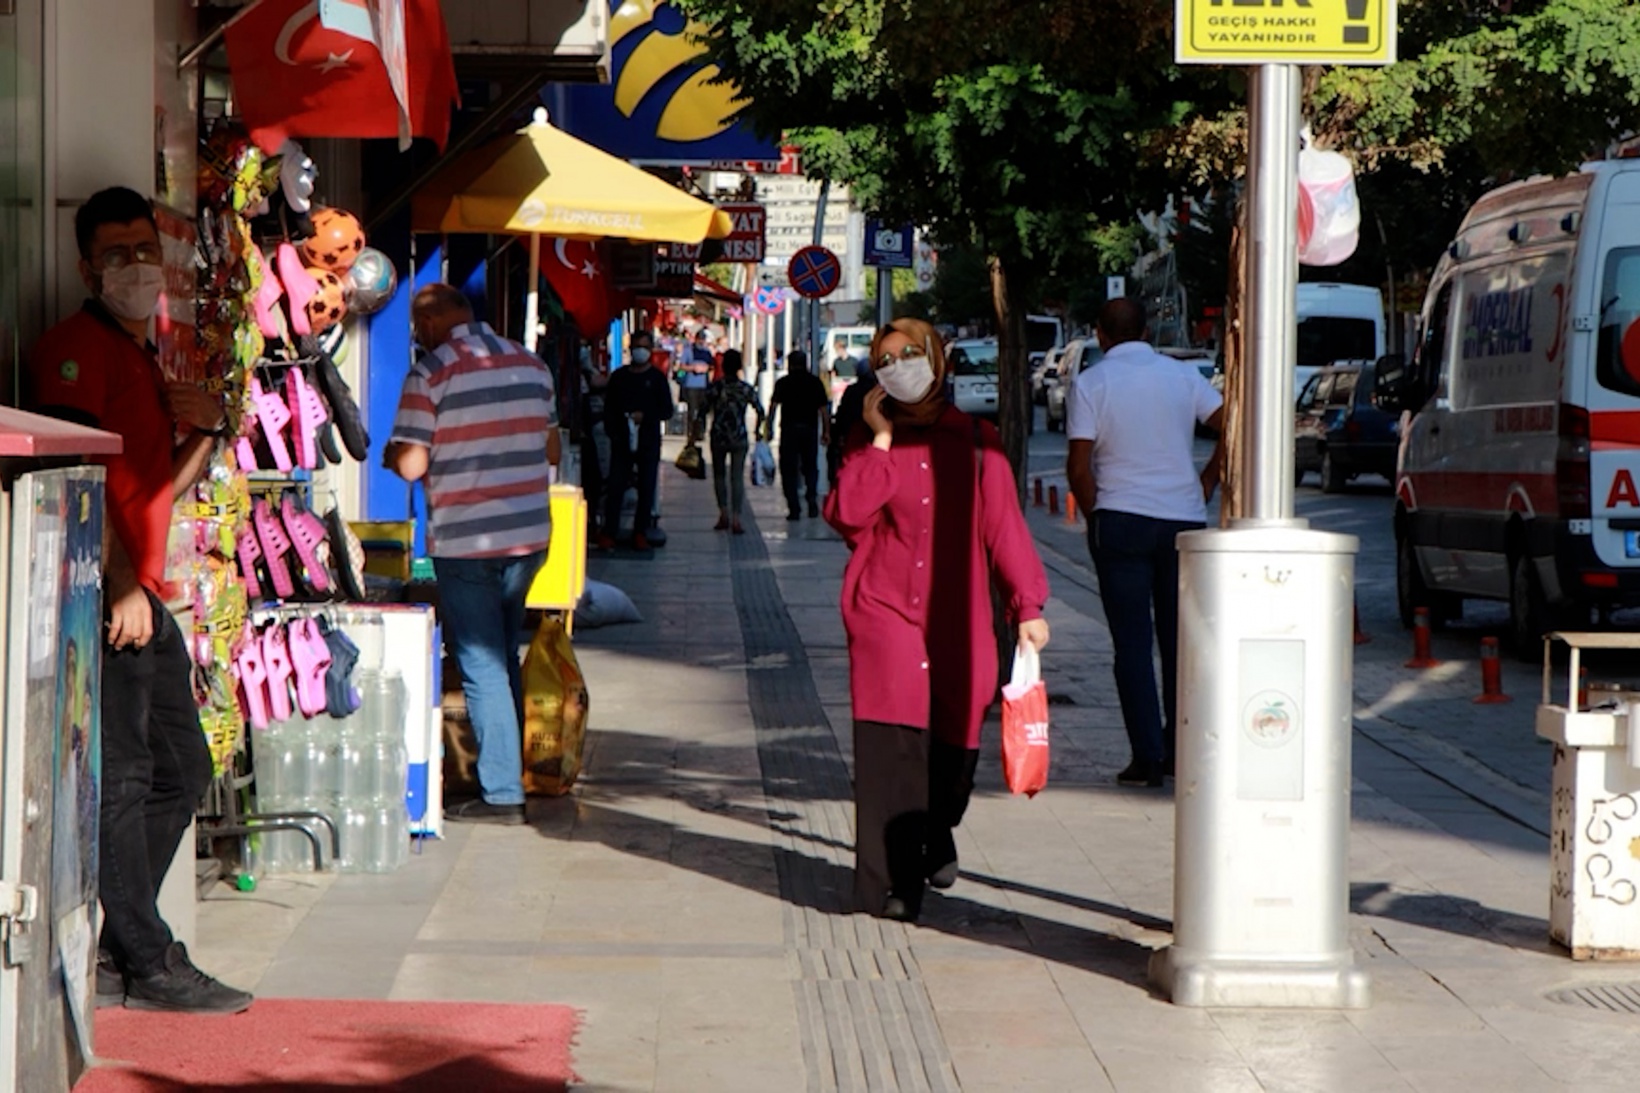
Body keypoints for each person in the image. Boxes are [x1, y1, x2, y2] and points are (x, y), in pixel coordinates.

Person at [28, 186, 251, 1013]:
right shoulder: (73, 351)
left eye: (143, 250)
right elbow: (71, 482)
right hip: (106, 597)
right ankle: (148, 959)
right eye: (116, 254)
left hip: (144, 595)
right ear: (88, 266)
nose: (134, 266)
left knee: (184, 766)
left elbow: (162, 487)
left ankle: (127, 938)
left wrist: (208, 427)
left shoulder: (145, 359)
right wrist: (119, 582)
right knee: (125, 776)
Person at [825, 318, 1050, 923]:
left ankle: (937, 828)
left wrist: (1027, 606)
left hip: (959, 617)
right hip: (885, 611)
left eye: (910, 354)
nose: (899, 366)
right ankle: (893, 885)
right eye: (886, 359)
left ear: (936, 359)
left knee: (954, 754)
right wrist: (876, 439)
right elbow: (846, 515)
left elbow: (1004, 526)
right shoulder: (870, 439)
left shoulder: (976, 441)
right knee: (893, 753)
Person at [386, 284, 561, 825]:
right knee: (502, 654)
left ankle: (504, 793)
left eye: (419, 323)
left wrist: (395, 451)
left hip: (467, 542)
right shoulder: (532, 365)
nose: (417, 334)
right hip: (529, 537)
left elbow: (412, 465)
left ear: (436, 318)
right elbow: (551, 449)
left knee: (481, 665)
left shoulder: (431, 372)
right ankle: (508, 768)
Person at [1065, 297, 1224, 789]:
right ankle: (1180, 749)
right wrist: (1206, 482)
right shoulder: (1181, 377)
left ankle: (1146, 757)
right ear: (1148, 330)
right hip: (1182, 520)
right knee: (1180, 644)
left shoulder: (1091, 384)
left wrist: (1098, 517)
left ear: (1100, 334)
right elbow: (1231, 427)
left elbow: (1078, 465)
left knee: (1131, 645)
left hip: (1121, 520)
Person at [598, 330, 674, 550]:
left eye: (644, 347)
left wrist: (646, 416)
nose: (639, 351)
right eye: (636, 347)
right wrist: (614, 431)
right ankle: (609, 532)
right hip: (622, 442)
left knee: (646, 488)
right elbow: (609, 408)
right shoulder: (620, 377)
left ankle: (640, 532)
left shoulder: (657, 379)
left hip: (647, 442)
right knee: (616, 487)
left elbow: (667, 410)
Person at [704, 349, 765, 535]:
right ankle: (737, 518)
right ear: (739, 366)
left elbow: (702, 411)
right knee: (737, 477)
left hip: (719, 436)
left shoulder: (716, 387)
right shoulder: (745, 388)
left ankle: (723, 513)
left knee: (720, 475)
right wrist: (758, 430)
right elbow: (760, 410)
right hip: (739, 436)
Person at [767, 349, 831, 520]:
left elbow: (773, 407)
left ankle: (794, 507)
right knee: (810, 466)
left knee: (789, 469)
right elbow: (824, 410)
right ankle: (811, 499)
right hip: (809, 430)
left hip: (789, 430)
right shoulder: (815, 382)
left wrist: (768, 428)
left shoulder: (783, 383)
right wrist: (826, 431)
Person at [828, 356, 876, 487]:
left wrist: (837, 434)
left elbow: (843, 413)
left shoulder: (852, 391)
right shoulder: (878, 391)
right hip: (873, 434)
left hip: (852, 435)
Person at [681, 328, 714, 439]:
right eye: (699, 339)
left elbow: (712, 366)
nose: (701, 342)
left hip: (703, 385)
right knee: (692, 410)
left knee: (703, 410)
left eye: (703, 340)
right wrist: (693, 368)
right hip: (691, 385)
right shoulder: (688, 351)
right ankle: (691, 432)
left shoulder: (707, 352)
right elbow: (681, 366)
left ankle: (701, 432)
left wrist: (706, 369)